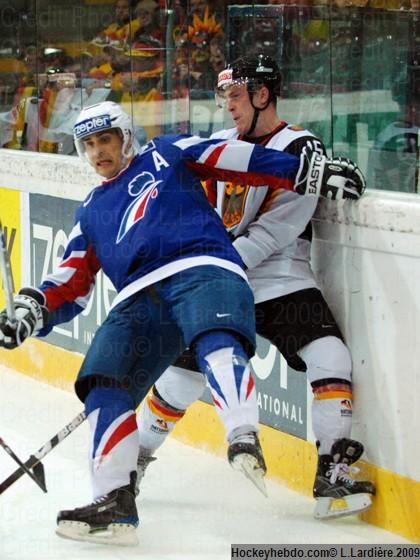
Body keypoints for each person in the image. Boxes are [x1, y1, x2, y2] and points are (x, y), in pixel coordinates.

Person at [0, 101, 363, 545]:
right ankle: (114, 501)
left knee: (215, 334)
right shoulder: (91, 210)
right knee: (102, 380)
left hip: (202, 265)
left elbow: (235, 159)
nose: (98, 152)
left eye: (106, 140)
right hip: (138, 299)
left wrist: (304, 173)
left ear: (126, 137)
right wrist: (32, 310)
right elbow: (69, 282)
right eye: (89, 145)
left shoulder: (165, 153)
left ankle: (241, 434)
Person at [134, 55, 376, 521]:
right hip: (222, 278)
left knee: (331, 356)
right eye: (224, 95)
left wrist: (218, 266)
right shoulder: (221, 144)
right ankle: (129, 468)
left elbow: (273, 234)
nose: (227, 106)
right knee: (180, 379)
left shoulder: (302, 149)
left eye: (236, 95)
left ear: (263, 95)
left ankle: (331, 474)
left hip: (279, 279)